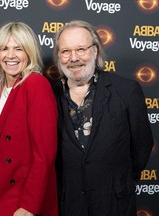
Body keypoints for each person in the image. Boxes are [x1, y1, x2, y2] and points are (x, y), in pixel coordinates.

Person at [47, 20, 154, 216]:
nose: (73, 58)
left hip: (115, 203)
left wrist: (119, 180)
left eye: (81, 49)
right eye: (66, 51)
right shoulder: (48, 96)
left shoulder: (126, 91)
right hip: (69, 205)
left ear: (95, 51)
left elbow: (142, 146)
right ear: (59, 56)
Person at [0, 22, 58, 216]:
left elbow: (44, 154)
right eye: (4, 49)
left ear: (29, 52)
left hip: (23, 199)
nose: (10, 56)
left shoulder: (35, 84)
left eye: (19, 49)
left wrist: (29, 206)